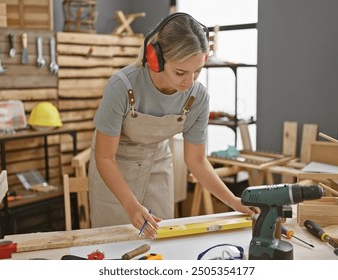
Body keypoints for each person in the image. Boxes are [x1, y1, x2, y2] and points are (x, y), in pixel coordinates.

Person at [88, 12, 255, 238]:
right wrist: (130, 205)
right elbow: (104, 158)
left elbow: (196, 160)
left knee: (161, 241)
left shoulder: (197, 97)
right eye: (180, 72)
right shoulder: (122, 87)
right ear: (156, 59)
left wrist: (232, 201)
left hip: (157, 162)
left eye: (197, 71)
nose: (189, 82)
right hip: (115, 167)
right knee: (113, 243)